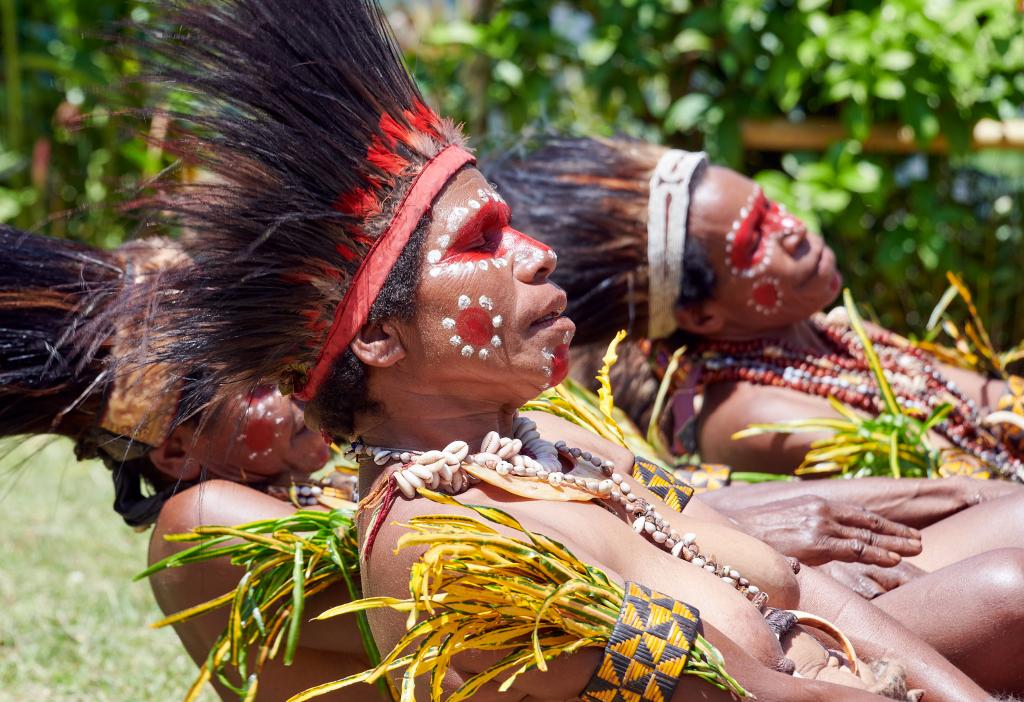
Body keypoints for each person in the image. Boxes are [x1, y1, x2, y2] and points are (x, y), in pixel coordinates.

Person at [129, 1, 1012, 699]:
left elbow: (799, 590)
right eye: (483, 242)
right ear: (377, 336)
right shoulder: (446, 551)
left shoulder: (561, 450)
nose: (536, 253)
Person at [486, 135, 1024, 693]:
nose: (791, 230)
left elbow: (997, 406)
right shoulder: (747, 411)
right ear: (702, 313)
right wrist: (966, 493)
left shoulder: (833, 335)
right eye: (752, 242)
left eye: (769, 208)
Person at [0, 226, 378, 701]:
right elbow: (431, 601)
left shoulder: (310, 486)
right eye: (258, 387)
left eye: (280, 358)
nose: (292, 382)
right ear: (179, 452)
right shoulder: (201, 521)